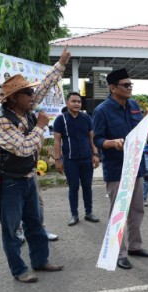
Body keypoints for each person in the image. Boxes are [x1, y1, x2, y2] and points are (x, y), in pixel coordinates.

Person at [0, 75, 64, 283]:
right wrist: (40, 126)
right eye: (28, 93)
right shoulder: (3, 120)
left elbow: (44, 87)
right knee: (12, 229)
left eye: (32, 92)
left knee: (35, 222)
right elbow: (23, 148)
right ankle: (19, 270)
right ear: (14, 98)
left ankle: (40, 260)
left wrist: (61, 64)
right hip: (10, 181)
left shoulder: (25, 111)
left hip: (28, 177)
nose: (34, 96)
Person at [93, 68, 148, 270]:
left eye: (131, 85)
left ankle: (136, 246)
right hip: (116, 168)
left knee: (137, 210)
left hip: (135, 167)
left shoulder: (134, 106)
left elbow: (140, 131)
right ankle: (119, 253)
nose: (130, 88)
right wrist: (113, 143)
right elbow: (98, 139)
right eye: (125, 85)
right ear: (113, 88)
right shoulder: (102, 110)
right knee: (118, 212)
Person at [53, 92, 100, 226]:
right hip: (70, 160)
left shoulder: (86, 118)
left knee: (87, 187)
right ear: (67, 103)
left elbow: (92, 138)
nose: (77, 104)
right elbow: (57, 141)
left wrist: (95, 154)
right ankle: (74, 214)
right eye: (73, 101)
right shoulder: (60, 119)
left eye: (79, 102)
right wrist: (57, 159)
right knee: (73, 187)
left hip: (86, 159)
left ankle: (89, 212)